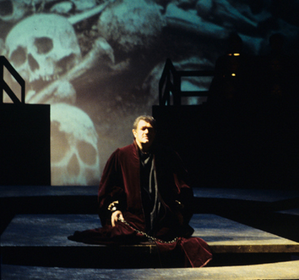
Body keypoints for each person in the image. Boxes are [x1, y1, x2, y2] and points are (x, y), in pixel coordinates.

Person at [69, 115, 212, 268]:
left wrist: (179, 209)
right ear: (134, 133)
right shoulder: (121, 156)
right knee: (118, 235)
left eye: (150, 130)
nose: (146, 133)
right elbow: (110, 188)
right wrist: (114, 209)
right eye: (143, 129)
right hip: (134, 218)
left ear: (155, 133)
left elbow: (183, 186)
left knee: (170, 237)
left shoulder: (168, 156)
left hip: (162, 217)